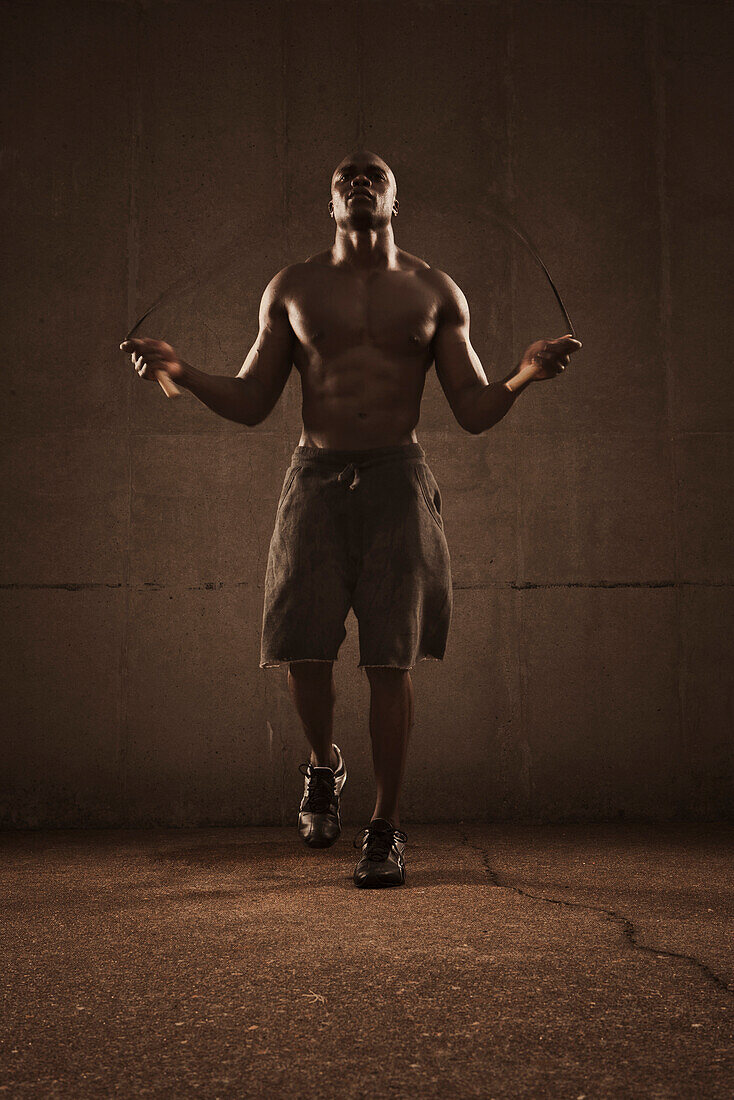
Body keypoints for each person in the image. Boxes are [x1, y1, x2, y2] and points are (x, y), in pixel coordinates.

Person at [120, 149, 581, 889]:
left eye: (374, 177)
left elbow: (471, 411)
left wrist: (526, 374)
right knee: (302, 644)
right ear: (331, 204)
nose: (360, 185)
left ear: (395, 199)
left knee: (388, 658)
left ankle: (385, 828)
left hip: (398, 479)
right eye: (346, 180)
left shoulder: (435, 291)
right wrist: (179, 371)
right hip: (316, 479)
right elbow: (251, 400)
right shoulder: (294, 288)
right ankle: (322, 766)